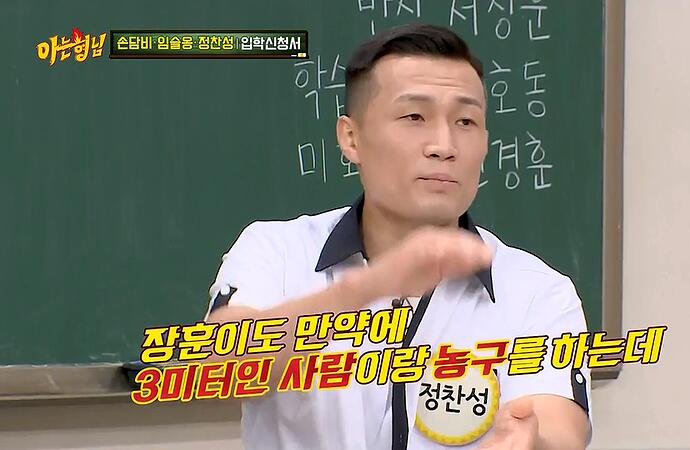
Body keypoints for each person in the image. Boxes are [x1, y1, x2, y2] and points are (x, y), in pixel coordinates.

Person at [205, 23, 591, 450]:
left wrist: (530, 440)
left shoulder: (536, 290)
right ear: (351, 138)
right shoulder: (276, 250)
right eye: (414, 117)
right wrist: (373, 285)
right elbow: (221, 366)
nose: (444, 145)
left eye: (466, 121)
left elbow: (560, 426)